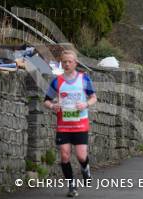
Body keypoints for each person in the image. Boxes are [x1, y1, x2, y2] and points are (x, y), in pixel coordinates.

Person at [44, 50, 97, 197]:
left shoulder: (84, 79)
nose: (67, 64)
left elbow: (94, 97)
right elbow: (46, 100)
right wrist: (53, 106)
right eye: (64, 62)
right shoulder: (57, 81)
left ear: (75, 63)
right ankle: (71, 186)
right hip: (64, 125)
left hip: (80, 124)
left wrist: (85, 104)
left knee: (81, 156)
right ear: (61, 63)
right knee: (65, 156)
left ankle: (85, 169)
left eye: (70, 61)